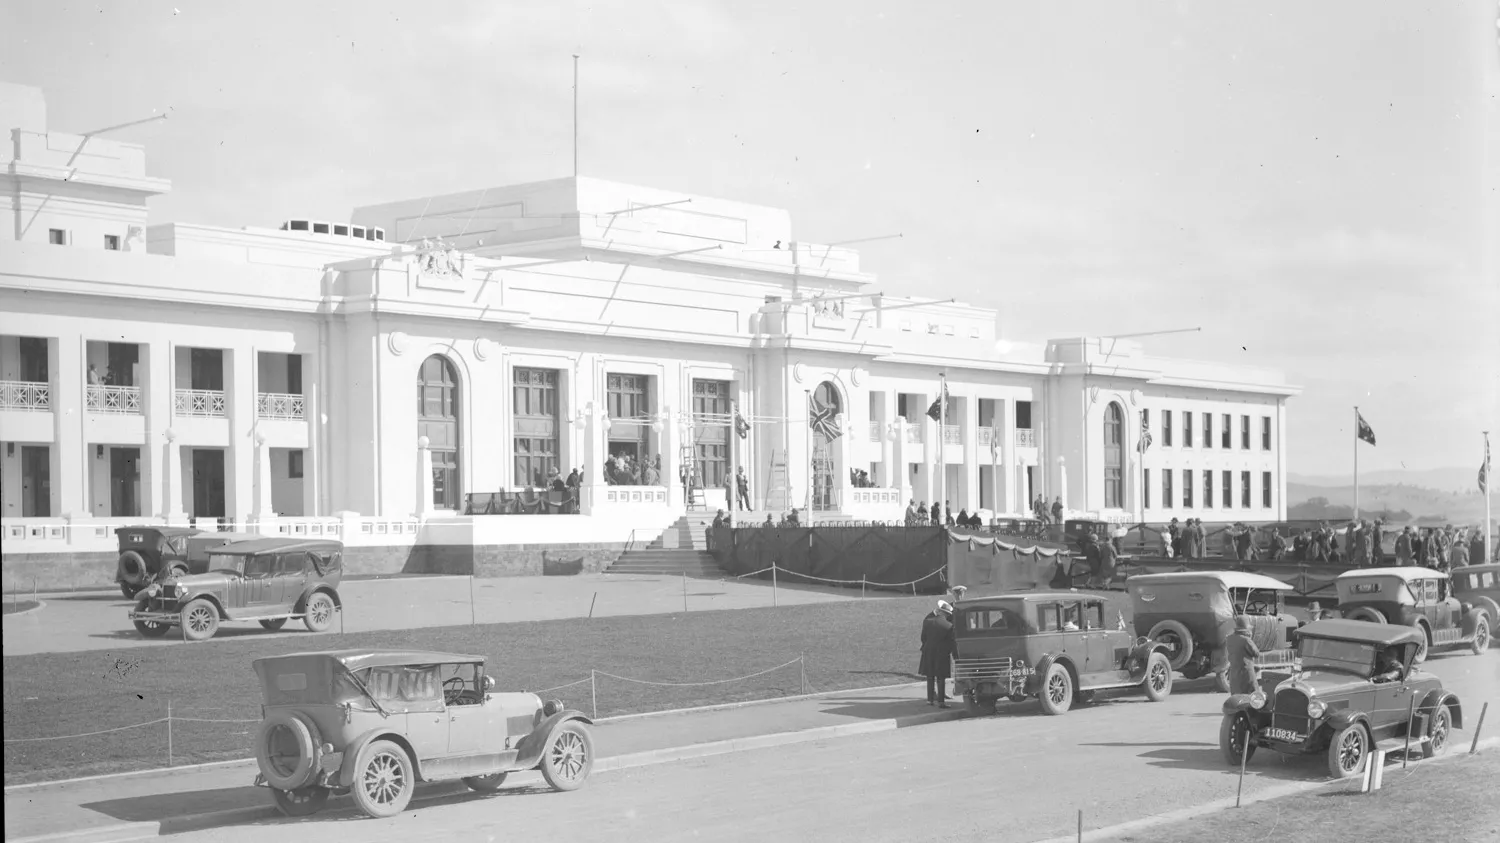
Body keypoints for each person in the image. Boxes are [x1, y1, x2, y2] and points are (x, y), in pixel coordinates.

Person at [919, 600, 958, 708]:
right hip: (942, 653)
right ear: (947, 614)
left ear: (939, 611)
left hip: (928, 652)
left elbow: (923, 638)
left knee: (930, 676)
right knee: (941, 678)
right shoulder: (949, 626)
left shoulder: (928, 622)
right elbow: (951, 642)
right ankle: (941, 701)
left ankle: (930, 700)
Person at [1224, 615, 1261, 695]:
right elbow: (1256, 653)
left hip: (1234, 673)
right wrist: (1250, 638)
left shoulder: (1229, 638)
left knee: (1236, 697)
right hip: (1246, 673)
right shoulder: (1246, 640)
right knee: (1253, 696)